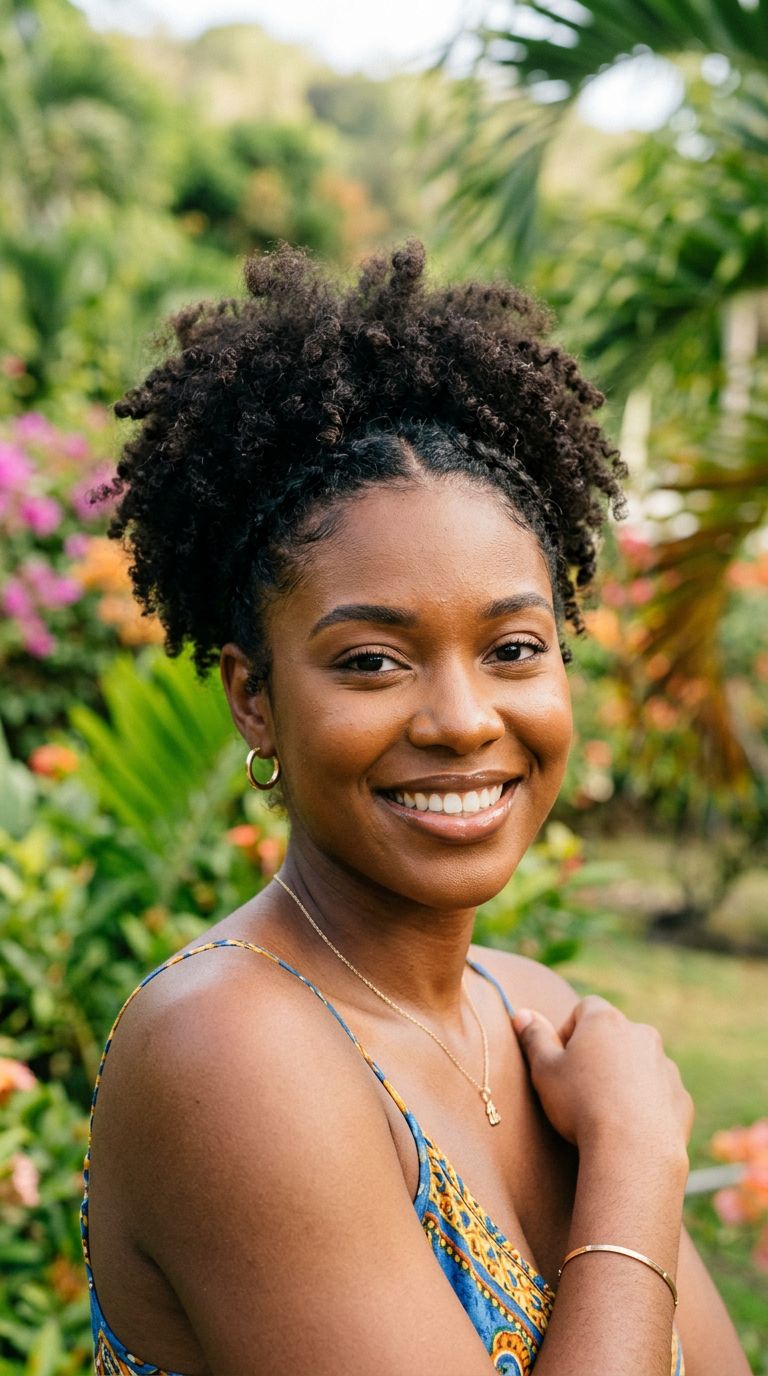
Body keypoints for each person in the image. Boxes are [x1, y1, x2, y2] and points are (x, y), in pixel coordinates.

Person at [80, 241, 749, 1376]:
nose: (462, 716)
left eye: (514, 648)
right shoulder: (232, 1048)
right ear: (256, 697)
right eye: (375, 660)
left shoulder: (536, 1017)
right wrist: (637, 1156)